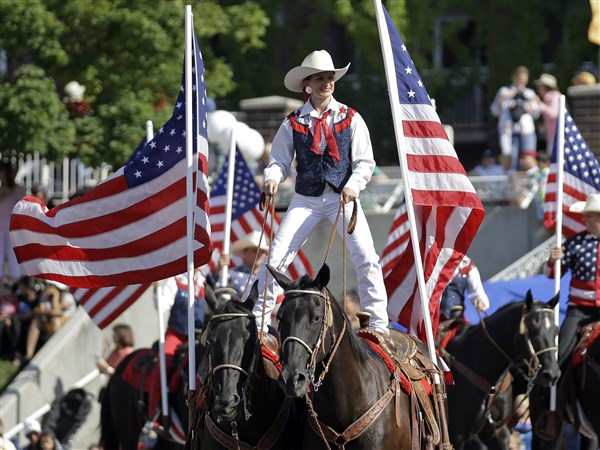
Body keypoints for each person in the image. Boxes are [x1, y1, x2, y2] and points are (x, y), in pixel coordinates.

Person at [254, 49, 390, 335]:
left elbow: (365, 162)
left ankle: (378, 325)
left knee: (366, 256)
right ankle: (258, 322)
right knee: (276, 257)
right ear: (308, 84)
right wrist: (272, 178)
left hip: (342, 197)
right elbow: (279, 159)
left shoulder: (351, 118)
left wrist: (353, 186)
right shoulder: (293, 122)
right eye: (319, 78)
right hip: (306, 198)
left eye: (330, 77)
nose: (326, 83)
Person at [543, 193, 600, 450]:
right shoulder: (575, 243)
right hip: (578, 312)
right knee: (560, 357)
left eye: (592, 216)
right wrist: (553, 260)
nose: (587, 219)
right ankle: (550, 407)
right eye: (587, 216)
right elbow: (551, 275)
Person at [146, 271, 205, 430]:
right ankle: (155, 414)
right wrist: (156, 289)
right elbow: (162, 306)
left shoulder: (207, 283)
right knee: (163, 365)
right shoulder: (176, 281)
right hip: (177, 334)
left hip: (199, 336)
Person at [490, 66, 540, 171]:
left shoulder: (529, 93)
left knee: (528, 158)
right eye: (519, 78)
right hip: (508, 130)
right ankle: (512, 185)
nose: (521, 81)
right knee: (509, 158)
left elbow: (537, 113)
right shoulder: (504, 91)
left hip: (526, 130)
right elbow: (494, 111)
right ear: (513, 77)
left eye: (523, 78)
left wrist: (529, 107)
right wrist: (503, 98)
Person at [210, 230, 269, 298]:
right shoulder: (230, 275)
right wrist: (218, 271)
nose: (260, 254)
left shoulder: (268, 277)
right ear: (244, 253)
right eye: (255, 251)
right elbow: (215, 293)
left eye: (263, 252)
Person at [439, 255, 490, 322]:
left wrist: (480, 300)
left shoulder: (467, 265)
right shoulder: (434, 259)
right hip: (430, 315)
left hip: (454, 318)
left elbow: (477, 292)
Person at [1, 160, 26, 283]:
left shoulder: (18, 189)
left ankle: (14, 285)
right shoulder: (2, 190)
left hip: (12, 229)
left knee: (14, 261)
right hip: (0, 229)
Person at [534, 73, 561, 155]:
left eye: (540, 86)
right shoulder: (550, 97)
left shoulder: (554, 96)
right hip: (552, 136)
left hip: (556, 136)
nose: (538, 88)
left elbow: (553, 114)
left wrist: (539, 104)